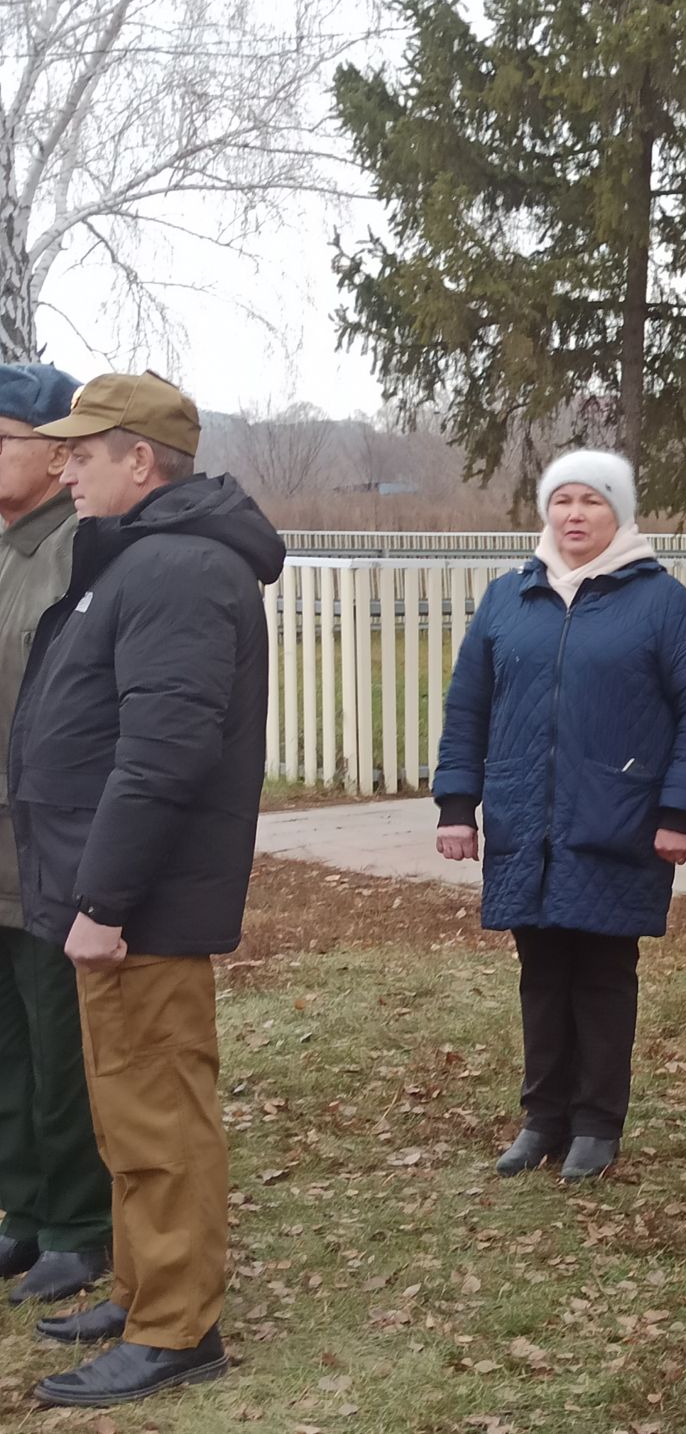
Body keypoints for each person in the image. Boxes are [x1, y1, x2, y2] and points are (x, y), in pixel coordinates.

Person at [13, 371, 285, 1407]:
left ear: (141, 459)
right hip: (115, 896)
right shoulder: (141, 556)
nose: (64, 466)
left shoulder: (175, 568)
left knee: (160, 1111)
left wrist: (107, 900)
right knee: (128, 1108)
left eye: (83, 452)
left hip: (141, 907)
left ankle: (178, 1326)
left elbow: (164, 750)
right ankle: (142, 1287)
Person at [435, 450, 686, 1183]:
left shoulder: (662, 603)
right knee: (541, 970)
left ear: (619, 511)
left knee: (601, 971)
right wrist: (458, 804)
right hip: (526, 817)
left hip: (618, 816)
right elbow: (469, 704)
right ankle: (543, 1118)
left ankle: (597, 1121)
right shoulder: (509, 598)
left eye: (591, 501)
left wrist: (678, 810)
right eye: (562, 502)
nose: (574, 516)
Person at [0, 363, 112, 1308]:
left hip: (45, 841)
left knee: (59, 1039)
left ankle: (80, 1223)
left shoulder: (84, 549)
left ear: (55, 453)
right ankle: (25, 1211)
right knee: (7, 1040)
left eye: (1, 438)